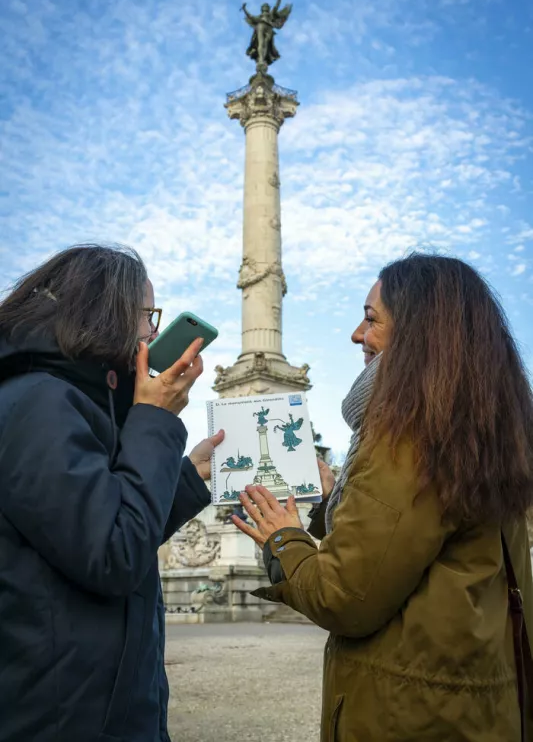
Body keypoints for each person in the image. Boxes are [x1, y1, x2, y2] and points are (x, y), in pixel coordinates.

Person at [232, 253, 533, 741]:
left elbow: (345, 598)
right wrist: (340, 500)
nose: (357, 334)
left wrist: (282, 537)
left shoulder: (408, 435)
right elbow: (417, 551)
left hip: (408, 713)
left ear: (418, 332)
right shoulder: (488, 428)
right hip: (475, 705)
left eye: (371, 319)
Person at [0, 244, 223, 742]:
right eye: (147, 315)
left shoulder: (67, 402)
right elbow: (112, 554)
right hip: (64, 714)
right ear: (105, 312)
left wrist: (189, 477)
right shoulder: (41, 402)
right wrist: (156, 421)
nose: (152, 333)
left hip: (86, 699)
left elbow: (100, 528)